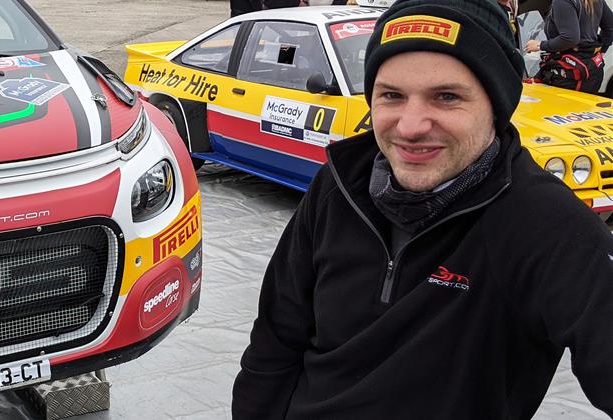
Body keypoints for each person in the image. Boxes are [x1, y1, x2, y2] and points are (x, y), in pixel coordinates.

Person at [231, 0, 613, 418]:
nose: (411, 126)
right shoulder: (338, 185)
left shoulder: (548, 226)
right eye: (392, 95)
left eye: (446, 97)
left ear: (498, 105)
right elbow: (274, 342)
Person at [525, 0, 613, 93]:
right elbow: (610, 26)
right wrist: (601, 51)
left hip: (568, 75)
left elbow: (570, 38)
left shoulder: (562, 1)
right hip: (591, 69)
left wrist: (540, 45)